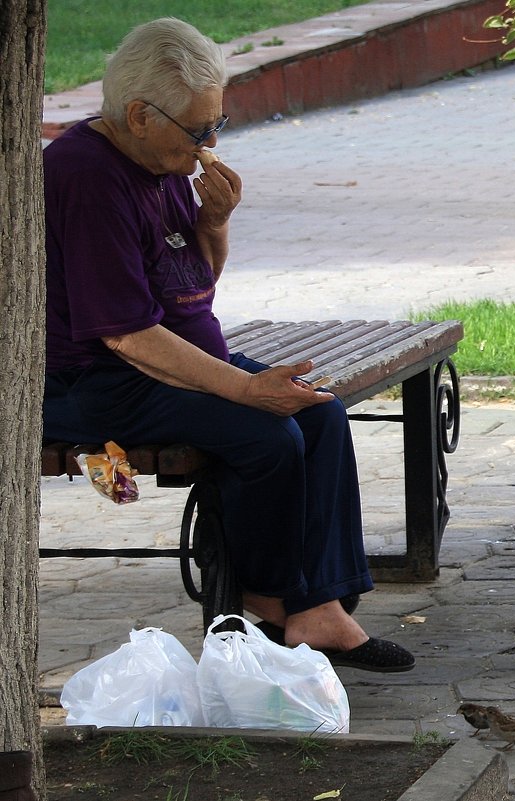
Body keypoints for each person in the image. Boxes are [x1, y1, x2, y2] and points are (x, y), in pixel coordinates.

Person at [42, 17, 414, 673]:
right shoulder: (87, 177)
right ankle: (261, 606)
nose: (210, 142)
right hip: (98, 384)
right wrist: (243, 388)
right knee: (267, 437)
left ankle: (318, 608)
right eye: (198, 129)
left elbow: (194, 286)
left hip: (175, 363)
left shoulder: (161, 160)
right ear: (137, 116)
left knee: (319, 412)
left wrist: (214, 223)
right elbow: (125, 334)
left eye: (218, 124)